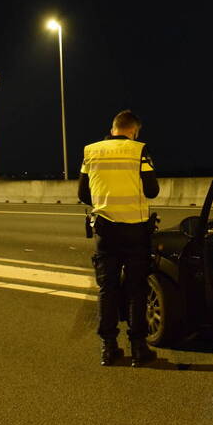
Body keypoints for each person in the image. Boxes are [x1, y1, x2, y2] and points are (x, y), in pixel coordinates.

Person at [78, 110, 160, 366]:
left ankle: (108, 347)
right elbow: (152, 190)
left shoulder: (90, 151)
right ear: (134, 131)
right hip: (135, 230)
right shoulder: (139, 150)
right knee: (136, 290)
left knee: (108, 288)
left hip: (105, 230)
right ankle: (138, 348)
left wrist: (105, 203)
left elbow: (83, 193)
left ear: (113, 128)